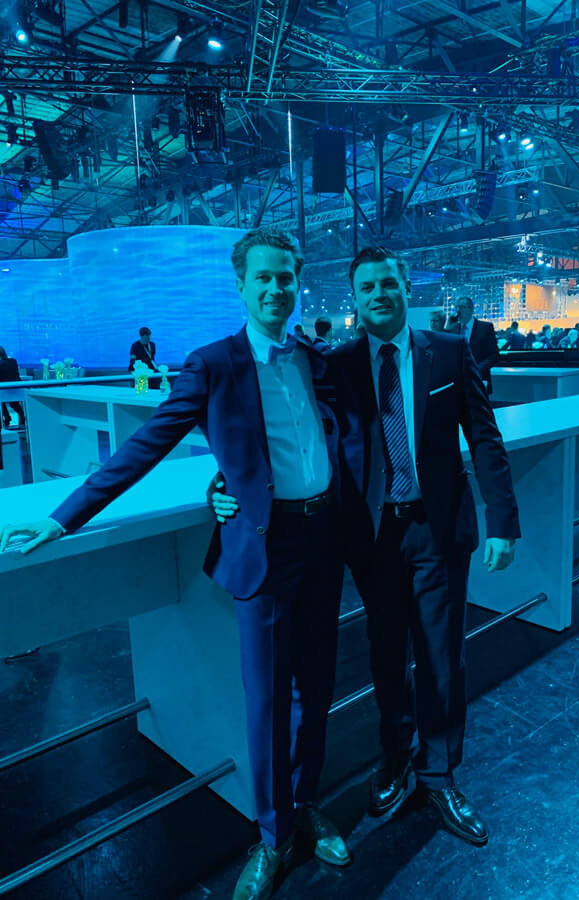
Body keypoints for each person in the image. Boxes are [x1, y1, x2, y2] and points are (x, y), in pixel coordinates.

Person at [0, 228, 362, 900]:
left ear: (297, 282)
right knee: (265, 700)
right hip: (267, 549)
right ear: (241, 285)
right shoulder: (213, 364)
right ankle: (274, 835)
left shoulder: (315, 359)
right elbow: (146, 445)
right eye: (263, 278)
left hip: (323, 541)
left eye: (285, 277)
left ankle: (306, 804)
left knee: (316, 688)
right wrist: (63, 517)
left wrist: (235, 483)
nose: (276, 288)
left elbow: (338, 439)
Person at [212, 245, 521, 849]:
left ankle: (440, 774)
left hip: (438, 529)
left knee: (441, 657)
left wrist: (503, 521)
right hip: (372, 537)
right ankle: (396, 759)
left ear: (406, 287)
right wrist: (222, 481)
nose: (379, 294)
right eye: (367, 288)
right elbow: (283, 430)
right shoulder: (336, 365)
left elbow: (484, 439)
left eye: (388, 284)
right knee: (385, 656)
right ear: (354, 299)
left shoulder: (449, 353)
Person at [444, 296, 500, 393]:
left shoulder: (485, 328)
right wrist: (447, 329)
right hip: (457, 382)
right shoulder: (453, 329)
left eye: (462, 307)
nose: (458, 311)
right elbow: (445, 352)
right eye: (456, 307)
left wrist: (476, 370)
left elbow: (493, 355)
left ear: (471, 309)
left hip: (479, 379)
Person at [0, 346, 26, 429]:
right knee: (14, 403)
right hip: (17, 390)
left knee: (1, 400)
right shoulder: (13, 361)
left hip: (5, 391)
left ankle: (6, 417)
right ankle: (21, 415)